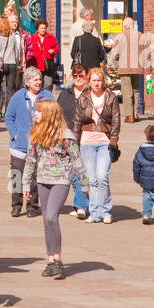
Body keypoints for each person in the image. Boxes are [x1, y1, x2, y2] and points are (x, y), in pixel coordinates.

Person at [22, 99, 89, 279]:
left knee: (52, 216)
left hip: (61, 180)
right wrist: (25, 183)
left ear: (49, 115)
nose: (35, 114)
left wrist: (84, 183)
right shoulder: (35, 135)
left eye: (39, 111)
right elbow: (30, 160)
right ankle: (51, 259)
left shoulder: (66, 136)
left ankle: (58, 259)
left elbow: (77, 160)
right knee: (46, 220)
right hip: (42, 180)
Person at [73, 67, 120, 224]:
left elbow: (116, 121)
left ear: (103, 81)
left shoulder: (111, 97)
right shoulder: (83, 98)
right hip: (87, 141)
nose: (96, 83)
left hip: (104, 141)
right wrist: (74, 143)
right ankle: (94, 213)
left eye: (99, 80)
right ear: (89, 82)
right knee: (92, 179)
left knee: (102, 177)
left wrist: (114, 140)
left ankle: (106, 211)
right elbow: (77, 122)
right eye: (93, 80)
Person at [5, 68, 53, 217]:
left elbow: (54, 117)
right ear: (27, 82)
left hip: (40, 145)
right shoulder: (18, 97)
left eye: (39, 79)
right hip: (19, 146)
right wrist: (14, 134)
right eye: (35, 80)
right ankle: (16, 205)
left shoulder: (48, 96)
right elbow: (9, 117)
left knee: (35, 178)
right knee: (17, 176)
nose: (38, 82)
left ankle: (32, 206)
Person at [56, 62, 90, 218]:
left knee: (80, 172)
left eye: (81, 75)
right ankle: (80, 205)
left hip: (87, 138)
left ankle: (81, 205)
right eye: (75, 75)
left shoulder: (92, 93)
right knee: (70, 173)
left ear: (87, 75)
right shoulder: (65, 94)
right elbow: (57, 114)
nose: (77, 78)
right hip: (67, 137)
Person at [106, 16, 141, 122]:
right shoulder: (140, 36)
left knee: (126, 91)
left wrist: (116, 59)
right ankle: (135, 112)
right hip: (137, 67)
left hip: (125, 67)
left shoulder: (120, 36)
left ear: (124, 26)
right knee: (135, 90)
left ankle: (129, 115)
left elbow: (115, 54)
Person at [24, 20, 60, 90]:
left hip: (48, 66)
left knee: (48, 85)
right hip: (36, 65)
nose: (43, 30)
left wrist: (53, 51)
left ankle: (47, 99)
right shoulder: (32, 38)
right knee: (37, 85)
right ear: (37, 29)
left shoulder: (51, 37)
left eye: (44, 28)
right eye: (41, 28)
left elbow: (56, 48)